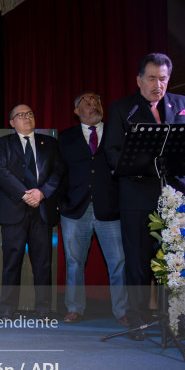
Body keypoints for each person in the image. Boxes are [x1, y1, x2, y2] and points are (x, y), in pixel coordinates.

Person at [104, 53, 185, 339]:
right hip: (137, 197)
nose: (158, 84)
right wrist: (145, 164)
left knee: (177, 260)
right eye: (151, 78)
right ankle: (136, 319)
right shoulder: (123, 109)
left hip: (175, 196)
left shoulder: (183, 104)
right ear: (139, 80)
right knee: (137, 260)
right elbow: (112, 152)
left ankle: (178, 319)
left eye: (163, 78)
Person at [59, 92, 128, 325]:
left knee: (118, 261)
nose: (92, 105)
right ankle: (75, 308)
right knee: (74, 262)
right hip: (75, 209)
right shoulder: (65, 137)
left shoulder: (116, 132)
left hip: (110, 208)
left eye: (96, 101)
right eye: (86, 103)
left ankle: (122, 310)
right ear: (76, 111)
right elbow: (59, 172)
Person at [0, 103, 65, 320]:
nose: (27, 117)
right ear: (12, 122)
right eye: (21, 115)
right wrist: (25, 194)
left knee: (43, 262)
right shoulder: (3, 144)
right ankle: (7, 308)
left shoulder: (49, 143)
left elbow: (58, 172)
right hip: (14, 210)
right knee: (12, 261)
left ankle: (43, 308)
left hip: (42, 210)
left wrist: (41, 193)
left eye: (30, 114)